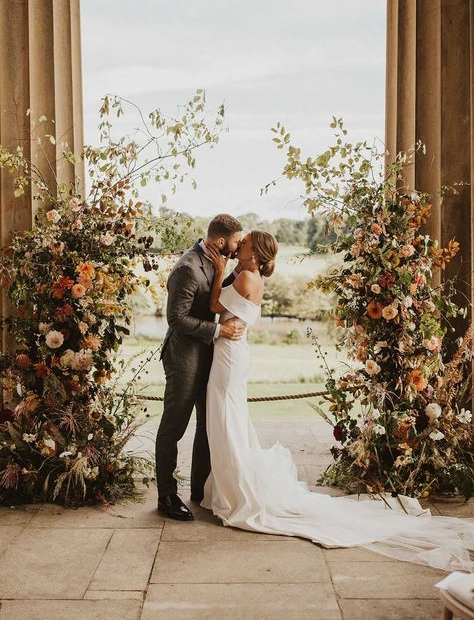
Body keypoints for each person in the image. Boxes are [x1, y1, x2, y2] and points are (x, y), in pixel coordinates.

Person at [201, 230, 474, 572]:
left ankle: (237, 491)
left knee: (226, 416)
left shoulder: (244, 275)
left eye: (243, 243)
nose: (236, 245)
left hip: (229, 353)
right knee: (231, 417)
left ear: (254, 252)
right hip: (234, 351)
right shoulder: (250, 275)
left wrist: (216, 269)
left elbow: (214, 307)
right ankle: (230, 484)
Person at [155, 214, 245, 521]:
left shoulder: (217, 261)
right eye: (235, 243)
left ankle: (200, 491)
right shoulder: (187, 268)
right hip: (183, 358)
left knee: (208, 424)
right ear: (221, 242)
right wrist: (219, 331)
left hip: (209, 356)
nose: (237, 247)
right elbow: (176, 320)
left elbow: (215, 296)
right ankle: (166, 495)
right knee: (174, 426)